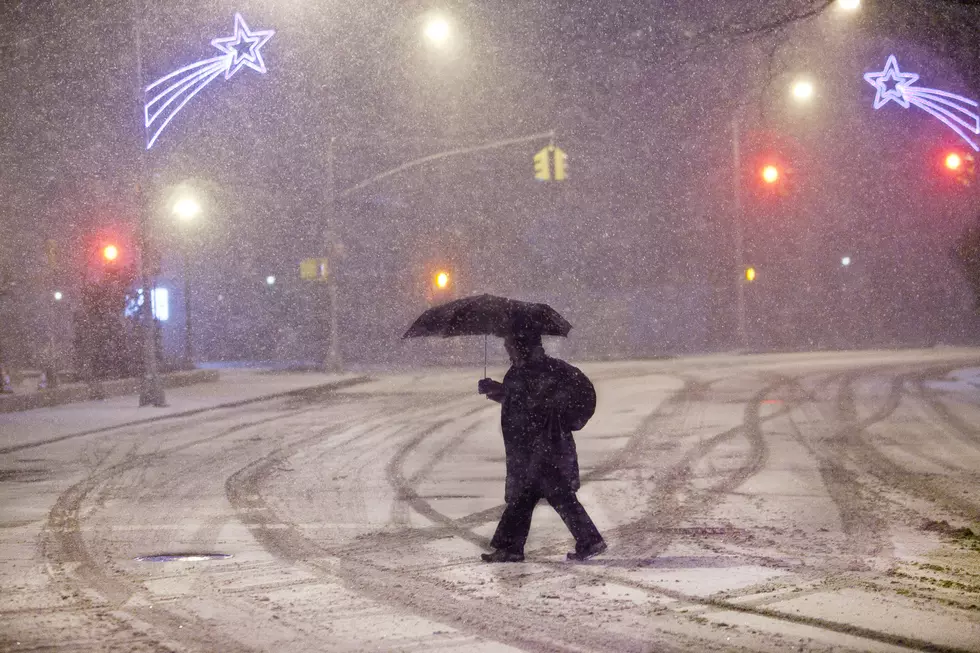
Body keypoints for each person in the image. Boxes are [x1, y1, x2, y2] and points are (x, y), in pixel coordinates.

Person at [477, 317, 606, 563]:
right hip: (537, 447)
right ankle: (585, 540)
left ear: (521, 345)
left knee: (530, 496)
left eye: (510, 345)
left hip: (542, 447)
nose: (507, 350)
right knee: (542, 496)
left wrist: (503, 391)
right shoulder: (533, 370)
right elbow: (523, 402)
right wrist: (498, 393)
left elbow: (531, 405)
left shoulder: (538, 372)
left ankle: (512, 547)